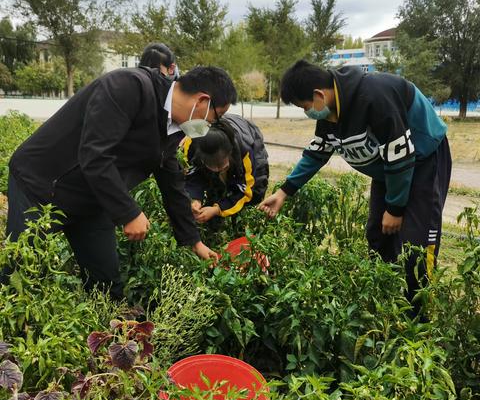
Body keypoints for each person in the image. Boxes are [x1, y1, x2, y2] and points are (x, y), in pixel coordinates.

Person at [5, 64, 237, 298]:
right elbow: (94, 156)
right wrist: (129, 213)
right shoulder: (128, 87)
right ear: (202, 101)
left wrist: (193, 240)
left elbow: (171, 181)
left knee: (105, 284)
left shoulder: (175, 126)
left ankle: (107, 329)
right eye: (215, 118)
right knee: (18, 276)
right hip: (40, 183)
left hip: (93, 196)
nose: (208, 127)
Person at [259, 60, 451, 317]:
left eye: (305, 107)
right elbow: (318, 151)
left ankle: (418, 317)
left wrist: (395, 208)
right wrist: (285, 192)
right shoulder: (330, 111)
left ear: (318, 95)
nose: (308, 113)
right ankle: (387, 301)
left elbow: (401, 155)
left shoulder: (374, 94)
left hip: (422, 161)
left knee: (416, 244)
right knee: (377, 233)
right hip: (389, 170)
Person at [183, 114, 269, 224]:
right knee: (214, 188)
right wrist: (195, 199)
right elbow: (192, 176)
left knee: (255, 192)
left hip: (249, 136)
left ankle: (240, 222)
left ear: (230, 153)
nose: (217, 170)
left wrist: (217, 210)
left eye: (222, 166)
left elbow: (247, 190)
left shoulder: (245, 151)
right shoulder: (192, 146)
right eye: (212, 167)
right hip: (211, 146)